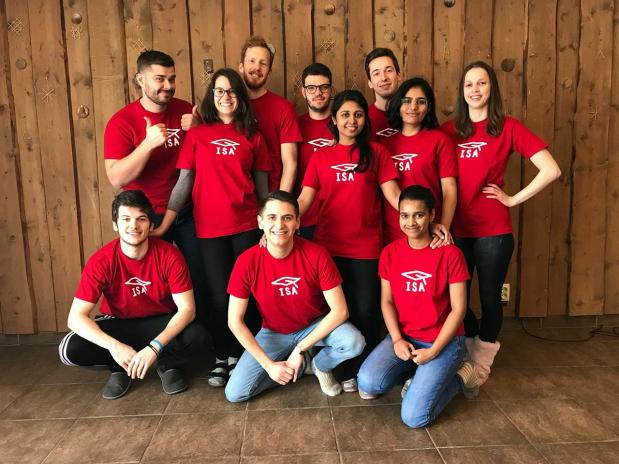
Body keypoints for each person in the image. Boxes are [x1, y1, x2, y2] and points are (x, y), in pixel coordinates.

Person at [441, 61, 561, 394]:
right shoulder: (449, 130)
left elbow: (551, 169)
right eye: (469, 84)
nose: (475, 90)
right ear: (462, 91)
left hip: (493, 232)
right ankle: (468, 351)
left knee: (490, 299)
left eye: (481, 83)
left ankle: (480, 364)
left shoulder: (507, 127)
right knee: (455, 298)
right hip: (455, 229)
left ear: (491, 88)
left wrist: (512, 199)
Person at [152, 68, 271, 388]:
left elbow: (263, 188)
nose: (225, 96)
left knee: (248, 294)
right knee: (219, 297)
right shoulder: (198, 135)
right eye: (219, 91)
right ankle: (223, 356)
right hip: (209, 229)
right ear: (211, 96)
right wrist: (164, 225)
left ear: (240, 97)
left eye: (231, 91)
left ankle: (246, 355)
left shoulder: (253, 136)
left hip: (246, 226)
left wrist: (267, 227)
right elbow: (183, 184)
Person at [298, 89, 401, 396]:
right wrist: (277, 223)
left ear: (365, 119)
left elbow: (394, 196)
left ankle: (362, 370)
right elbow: (304, 200)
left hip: (367, 247)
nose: (351, 120)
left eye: (358, 115)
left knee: (366, 311)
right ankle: (335, 366)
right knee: (334, 311)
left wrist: (426, 220)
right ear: (334, 120)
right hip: (328, 248)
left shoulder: (377, 153)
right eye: (345, 115)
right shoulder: (320, 157)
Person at [58, 191, 206, 399]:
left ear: (151, 225)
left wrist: (154, 348)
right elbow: (75, 318)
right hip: (119, 324)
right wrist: (115, 347)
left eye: (141, 219)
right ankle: (120, 366)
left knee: (198, 335)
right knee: (69, 348)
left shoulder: (170, 255)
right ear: (115, 225)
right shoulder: (101, 261)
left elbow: (187, 310)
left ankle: (168, 364)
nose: (133, 226)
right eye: (126, 219)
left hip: (160, 322)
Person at [225, 191, 365, 402]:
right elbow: (234, 321)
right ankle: (301, 367)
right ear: (260, 222)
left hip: (314, 325)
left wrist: (300, 348)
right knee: (235, 393)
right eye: (272, 217)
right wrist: (269, 366)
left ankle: (319, 365)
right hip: (273, 332)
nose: (279, 225)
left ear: (298, 222)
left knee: (354, 342)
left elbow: (340, 311)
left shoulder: (317, 254)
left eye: (287, 217)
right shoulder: (246, 261)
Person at [103, 50, 208, 326]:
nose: (168, 86)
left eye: (172, 78)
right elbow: (116, 178)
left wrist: (199, 129)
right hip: (146, 216)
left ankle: (200, 341)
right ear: (141, 79)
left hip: (189, 211)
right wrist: (147, 145)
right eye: (160, 79)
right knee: (156, 284)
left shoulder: (187, 111)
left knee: (200, 277)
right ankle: (161, 342)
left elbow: (207, 157)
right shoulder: (122, 121)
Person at [357, 185, 471, 428]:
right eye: (405, 215)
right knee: (368, 383)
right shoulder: (390, 253)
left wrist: (434, 350)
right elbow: (387, 301)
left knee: (415, 418)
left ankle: (461, 377)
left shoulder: (451, 254)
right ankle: (421, 377)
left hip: (443, 341)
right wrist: (397, 339)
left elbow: (459, 309)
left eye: (418, 215)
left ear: (432, 215)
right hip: (407, 337)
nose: (411, 222)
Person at [382, 77, 458, 244]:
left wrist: (442, 229)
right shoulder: (384, 145)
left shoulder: (440, 140)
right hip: (392, 233)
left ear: (429, 107)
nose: (413, 107)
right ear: (398, 104)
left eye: (421, 102)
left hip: (429, 232)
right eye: (407, 101)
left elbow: (449, 190)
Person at [239, 36, 303, 192]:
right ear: (241, 66)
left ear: (269, 71)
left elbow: (290, 163)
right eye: (252, 61)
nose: (257, 67)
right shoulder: (227, 105)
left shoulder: (283, 108)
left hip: (271, 195)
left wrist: (279, 202)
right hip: (238, 198)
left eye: (263, 63)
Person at [296, 63, 335, 239]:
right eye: (311, 88)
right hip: (305, 217)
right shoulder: (295, 125)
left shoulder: (344, 125)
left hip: (338, 216)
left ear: (331, 90)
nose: (318, 93)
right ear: (303, 92)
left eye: (323, 87)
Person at [365, 48, 401, 140]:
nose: (383, 78)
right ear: (370, 82)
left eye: (388, 70)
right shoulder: (363, 118)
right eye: (376, 73)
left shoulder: (414, 112)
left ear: (398, 75)